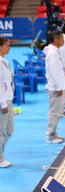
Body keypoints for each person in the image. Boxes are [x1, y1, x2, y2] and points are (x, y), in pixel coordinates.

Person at [44, 30, 65, 144]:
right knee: (54, 112)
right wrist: (58, 87)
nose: (63, 40)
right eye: (62, 38)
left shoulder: (55, 51)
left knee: (58, 111)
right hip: (55, 88)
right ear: (56, 40)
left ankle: (53, 132)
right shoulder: (52, 53)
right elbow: (53, 71)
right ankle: (50, 135)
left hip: (58, 86)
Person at [0, 37, 14, 168]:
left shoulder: (5, 61)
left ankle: (1, 155)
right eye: (6, 46)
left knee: (9, 129)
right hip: (2, 102)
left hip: (8, 99)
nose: (9, 48)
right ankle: (0, 158)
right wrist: (2, 103)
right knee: (1, 131)